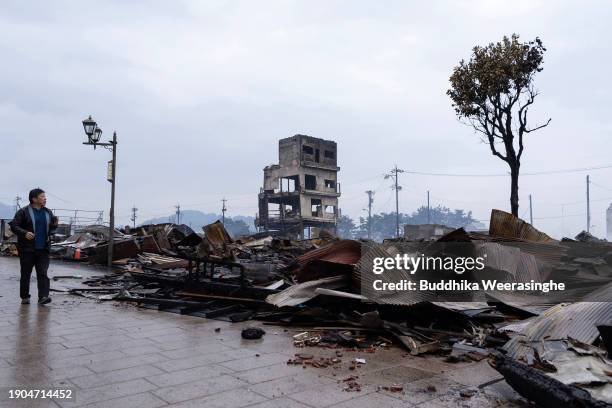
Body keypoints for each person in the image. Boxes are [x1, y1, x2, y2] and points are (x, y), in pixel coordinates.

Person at [9, 188, 58, 305]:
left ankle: (43, 297)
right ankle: (25, 296)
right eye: (42, 196)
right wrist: (24, 233)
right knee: (26, 273)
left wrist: (54, 225)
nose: (45, 198)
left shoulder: (48, 212)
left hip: (43, 249)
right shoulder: (23, 212)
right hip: (27, 249)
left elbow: (51, 230)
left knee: (43, 273)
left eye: (45, 196)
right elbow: (14, 225)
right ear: (34, 199)